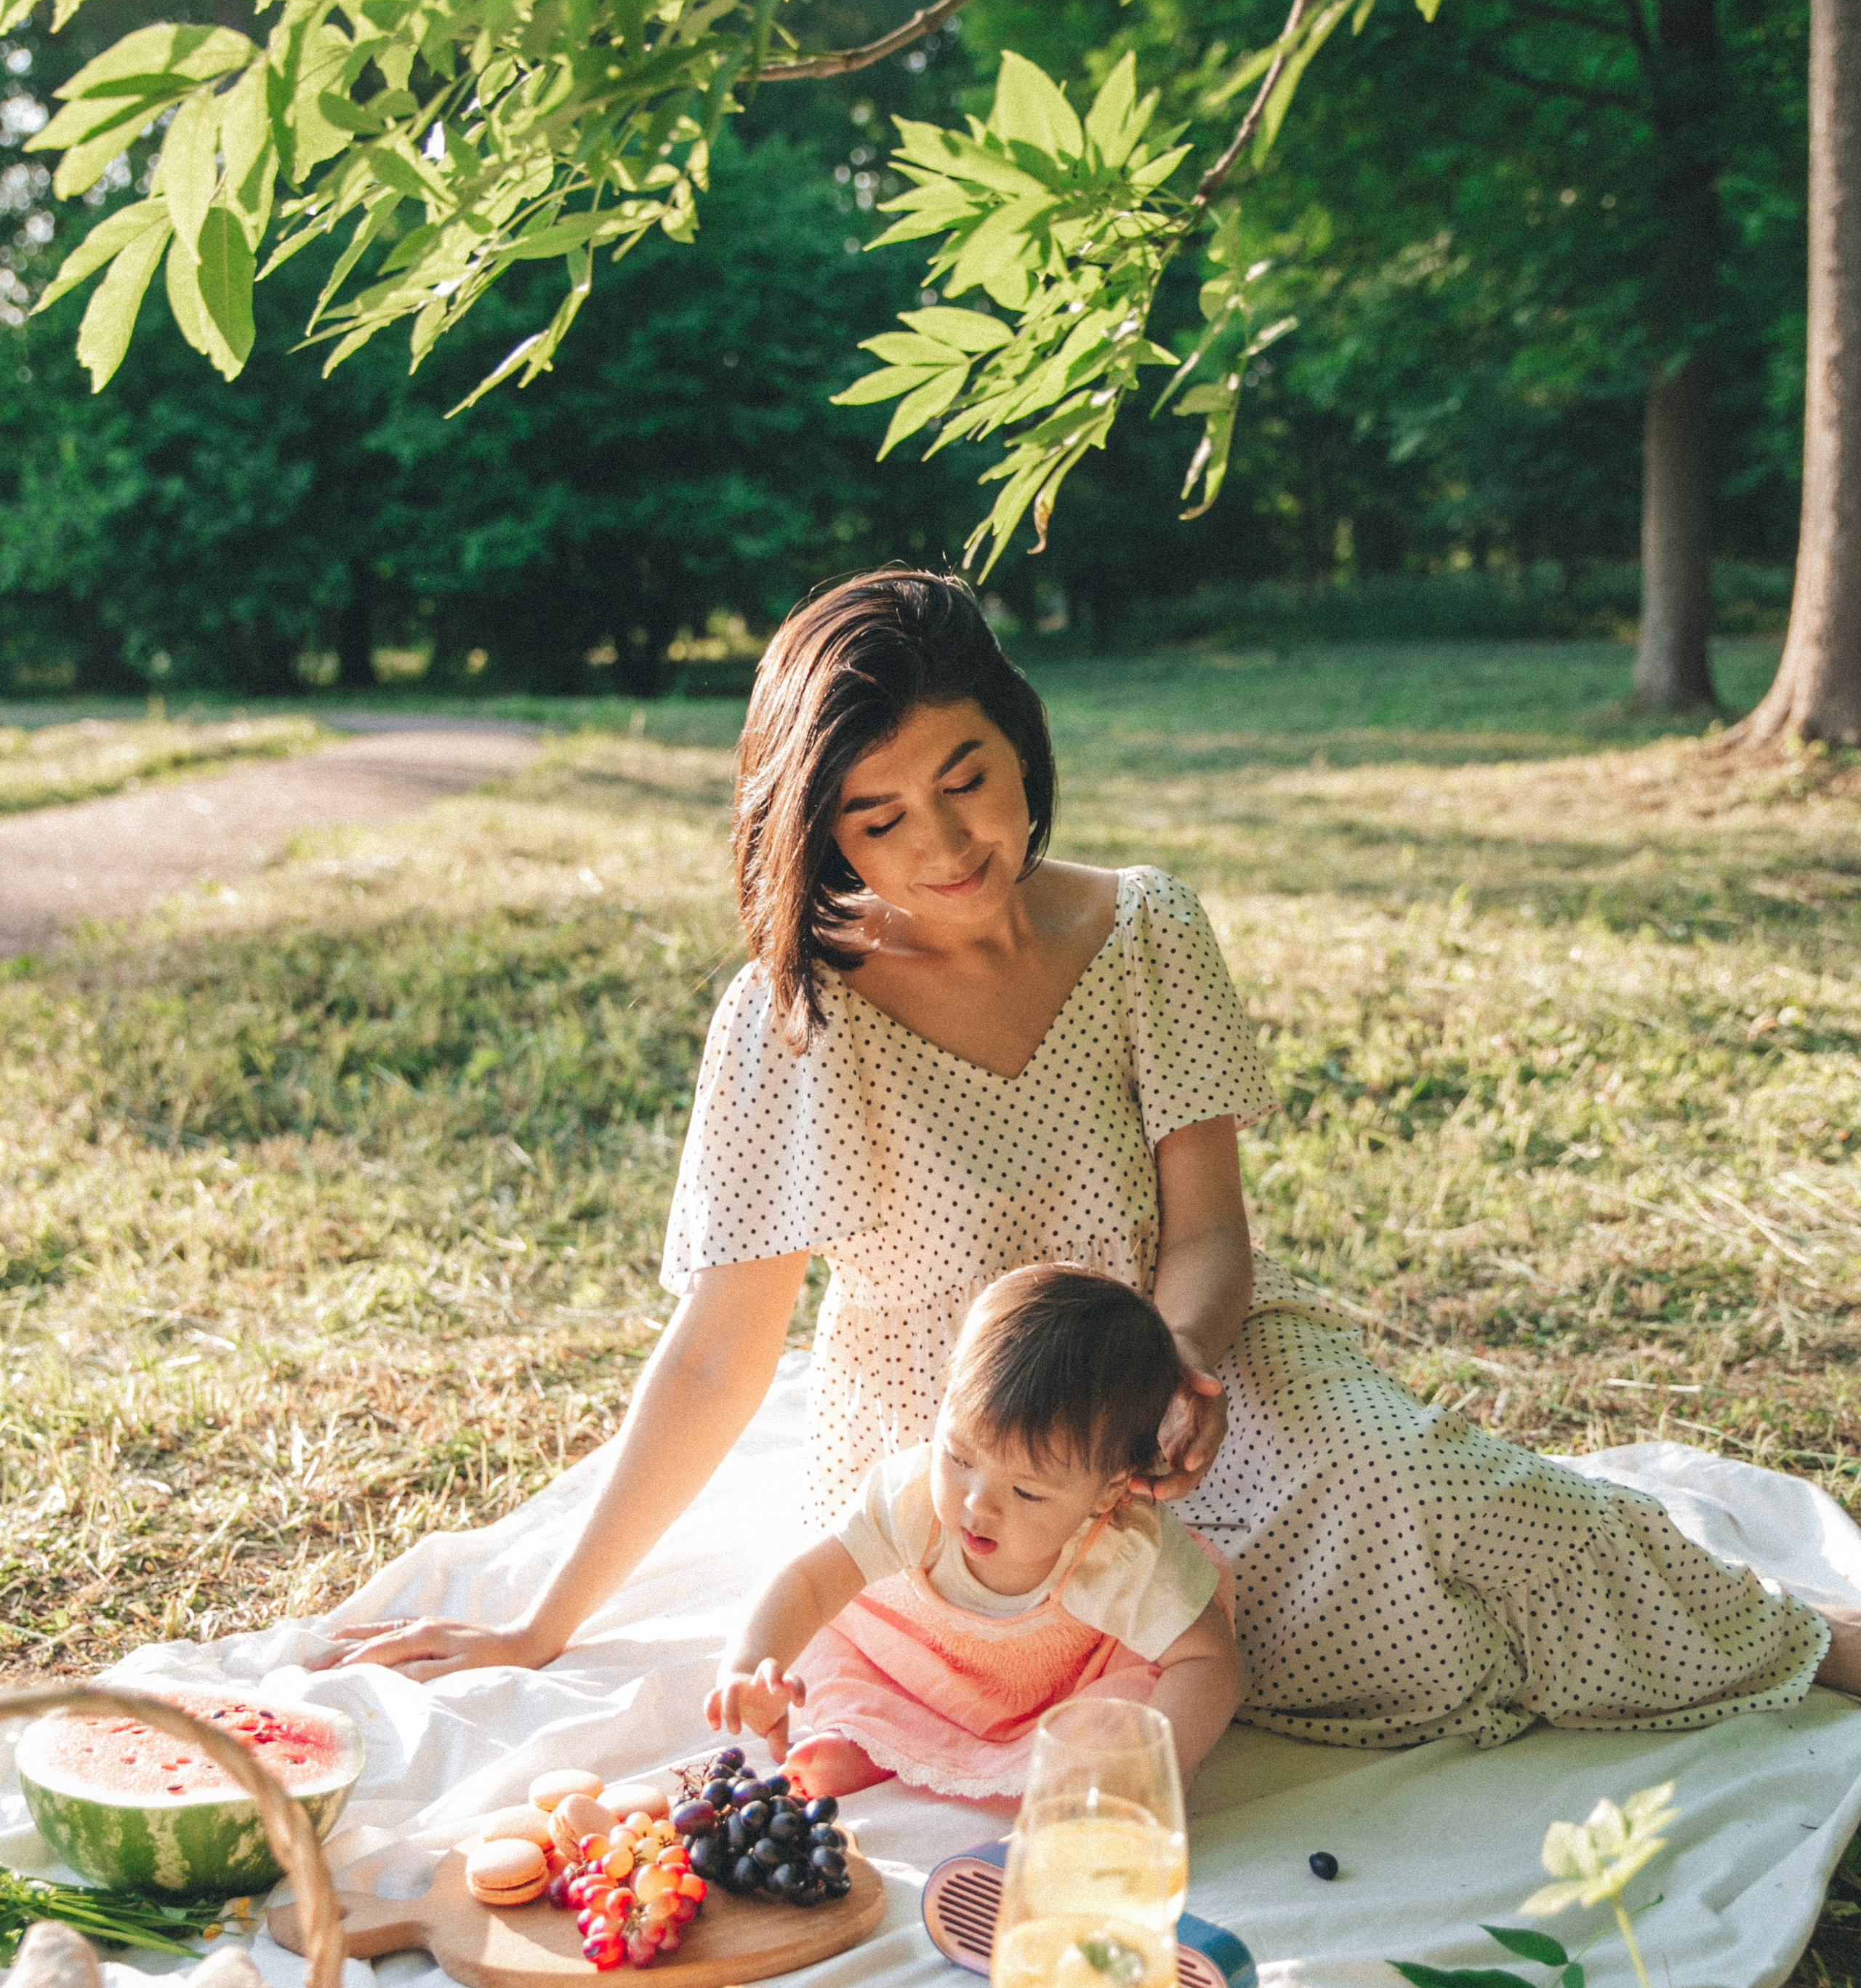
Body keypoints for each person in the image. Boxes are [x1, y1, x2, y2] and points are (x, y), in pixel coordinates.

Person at [322, 570, 1856, 1743]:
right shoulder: (797, 1015)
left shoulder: (1141, 926)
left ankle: (1789, 1641)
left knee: (1425, 1490)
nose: (940, 842)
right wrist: (537, 1627)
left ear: (1019, 736)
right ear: (819, 834)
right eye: (874, 817)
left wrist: (1177, 1378)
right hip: (958, 1450)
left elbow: (1206, 1231)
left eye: (965, 775)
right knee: (1046, 1634)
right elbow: (723, 1354)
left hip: (1169, 1362)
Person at [707, 1264, 1245, 1802]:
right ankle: (868, 1740)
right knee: (849, 1661)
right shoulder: (911, 1498)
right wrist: (747, 1668)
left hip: (1058, 1691)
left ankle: (1065, 1774)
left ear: (1108, 1492)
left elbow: (1209, 1665)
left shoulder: (1123, 1549)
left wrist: (1149, 1769)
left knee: (1121, 1716)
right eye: (959, 1456)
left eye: (1027, 1493)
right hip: (919, 1665)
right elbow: (808, 1581)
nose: (976, 1503)